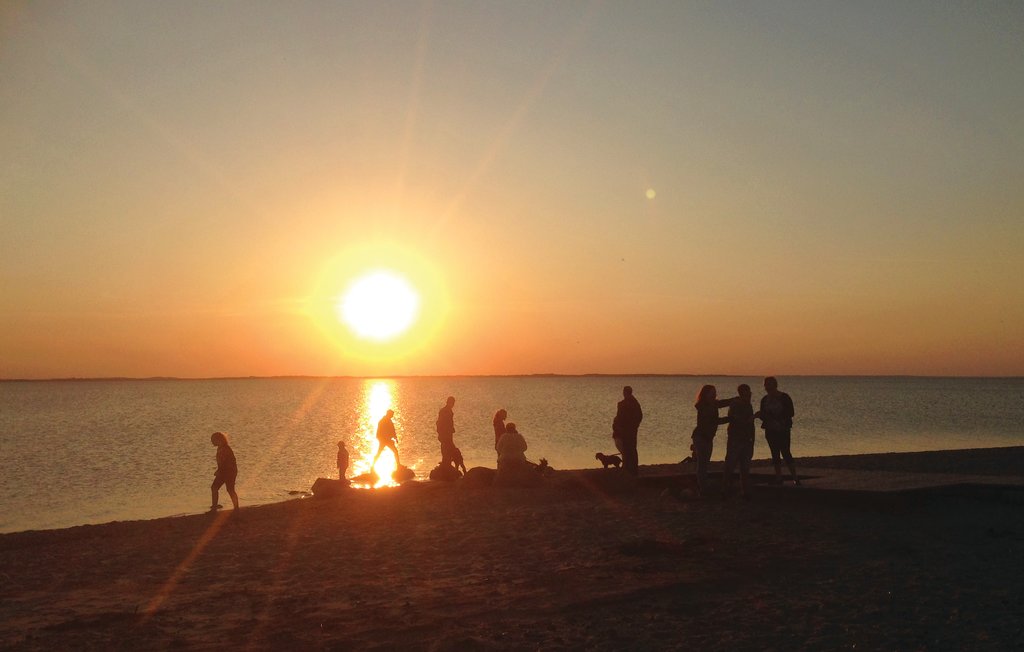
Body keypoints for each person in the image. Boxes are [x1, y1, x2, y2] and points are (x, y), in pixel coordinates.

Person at [755, 376, 800, 485]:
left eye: (769, 384)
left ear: (775, 385)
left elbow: (791, 412)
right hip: (770, 430)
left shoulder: (784, 397)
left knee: (786, 452)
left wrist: (779, 419)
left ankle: (795, 477)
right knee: (774, 453)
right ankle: (779, 477)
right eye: (766, 384)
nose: (767, 387)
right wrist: (761, 416)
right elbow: (763, 415)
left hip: (783, 429)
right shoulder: (764, 399)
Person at [691, 385, 731, 496]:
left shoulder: (713, 404)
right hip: (701, 437)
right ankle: (703, 488)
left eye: (715, 392)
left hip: (708, 437)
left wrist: (734, 400)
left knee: (705, 462)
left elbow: (722, 403)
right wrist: (730, 418)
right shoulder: (703, 406)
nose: (714, 394)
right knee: (702, 463)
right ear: (705, 394)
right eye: (711, 392)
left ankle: (703, 485)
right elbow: (715, 421)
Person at [723, 384, 755, 499]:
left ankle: (745, 491)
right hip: (735, 439)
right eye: (747, 392)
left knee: (745, 466)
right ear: (742, 393)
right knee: (730, 465)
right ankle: (726, 489)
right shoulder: (736, 404)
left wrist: (752, 439)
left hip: (747, 439)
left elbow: (751, 425)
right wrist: (749, 419)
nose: (750, 394)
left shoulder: (748, 404)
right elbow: (734, 419)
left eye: (750, 392)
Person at [612, 386, 643, 476]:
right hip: (628, 430)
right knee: (630, 449)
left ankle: (630, 468)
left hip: (628, 430)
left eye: (624, 392)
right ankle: (630, 468)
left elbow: (638, 417)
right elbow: (639, 416)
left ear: (625, 392)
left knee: (629, 449)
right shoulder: (634, 403)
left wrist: (633, 426)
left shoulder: (627, 404)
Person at [210, 431, 239, 511]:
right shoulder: (220, 448)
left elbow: (225, 463)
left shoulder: (225, 449)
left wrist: (219, 471)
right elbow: (222, 463)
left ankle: (236, 508)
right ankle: (214, 506)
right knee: (214, 488)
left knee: (230, 489)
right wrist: (219, 470)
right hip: (224, 472)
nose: (212, 442)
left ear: (219, 440)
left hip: (229, 472)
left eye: (213, 440)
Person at [436, 396, 457, 468]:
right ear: (448, 402)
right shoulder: (443, 411)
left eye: (453, 403)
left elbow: (450, 422)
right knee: (445, 447)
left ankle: (447, 461)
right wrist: (440, 432)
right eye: (452, 403)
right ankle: (445, 462)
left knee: (448, 447)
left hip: (449, 433)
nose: (453, 405)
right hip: (444, 433)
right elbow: (439, 422)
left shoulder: (449, 411)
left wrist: (452, 428)